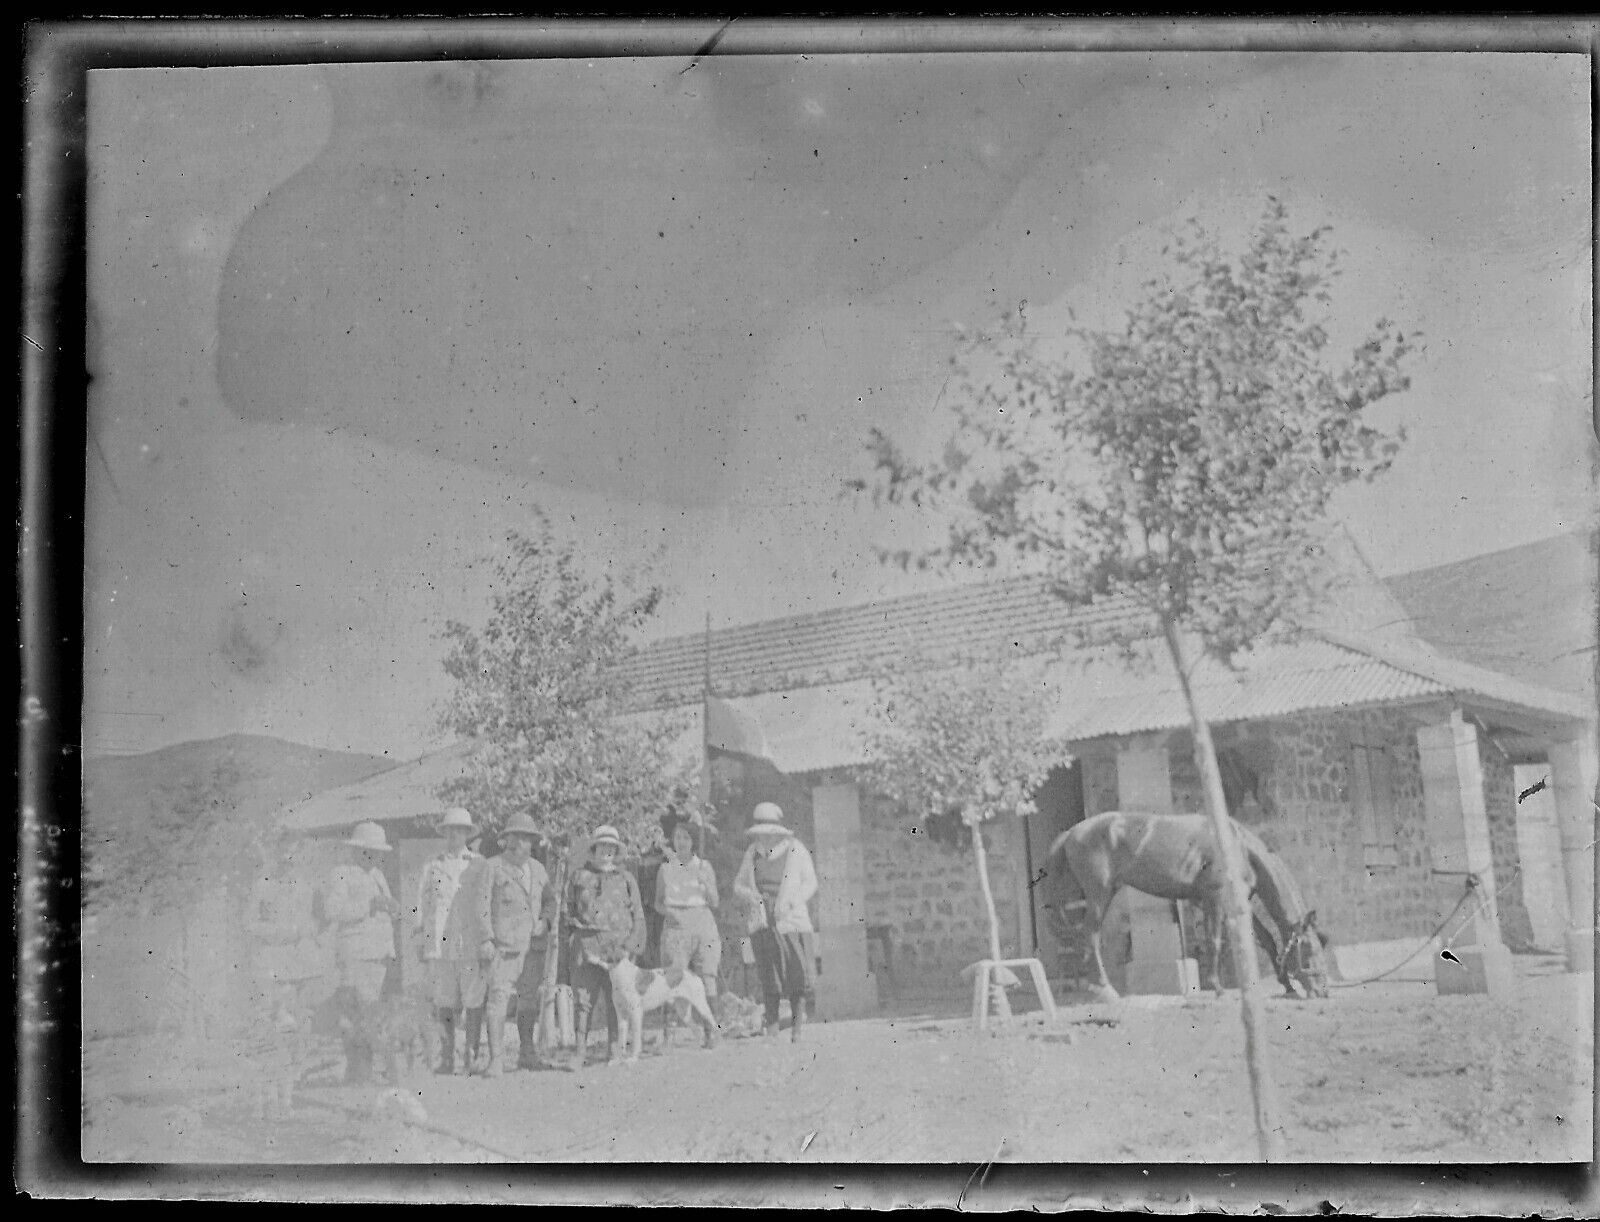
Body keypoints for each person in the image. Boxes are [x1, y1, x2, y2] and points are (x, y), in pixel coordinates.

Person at [241, 837, 319, 1118]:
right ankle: (268, 1097)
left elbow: (313, 922)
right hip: (271, 966)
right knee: (270, 1032)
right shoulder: (262, 885)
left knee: (299, 1032)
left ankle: (288, 1095)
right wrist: (286, 931)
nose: (290, 862)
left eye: (296, 856)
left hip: (302, 967)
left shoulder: (307, 886)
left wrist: (308, 931)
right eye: (285, 856)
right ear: (276, 856)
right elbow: (249, 925)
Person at [471, 812, 552, 1078]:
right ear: (505, 840)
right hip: (504, 948)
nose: (520, 843)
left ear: (533, 843)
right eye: (514, 837)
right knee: (498, 1001)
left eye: (526, 838)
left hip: (533, 948)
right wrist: (486, 938)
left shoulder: (539, 870)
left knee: (528, 1000)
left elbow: (550, 902)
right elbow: (481, 906)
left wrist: (546, 922)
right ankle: (496, 1059)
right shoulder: (492, 867)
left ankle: (527, 1053)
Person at [321, 821, 402, 1083]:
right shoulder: (342, 873)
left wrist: (392, 908)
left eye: (377, 851)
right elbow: (332, 911)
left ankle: (362, 1068)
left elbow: (383, 907)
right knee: (355, 1013)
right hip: (355, 953)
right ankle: (357, 1068)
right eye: (369, 850)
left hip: (377, 953)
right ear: (357, 849)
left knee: (368, 1013)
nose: (374, 856)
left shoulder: (377, 875)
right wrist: (368, 904)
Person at [733, 802, 818, 1043]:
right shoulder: (752, 853)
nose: (766, 838)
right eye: (761, 833)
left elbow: (810, 883)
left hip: (790, 921)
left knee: (796, 973)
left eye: (770, 833)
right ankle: (771, 1028)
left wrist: (792, 902)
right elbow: (738, 885)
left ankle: (797, 1027)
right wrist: (751, 895)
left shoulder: (795, 850)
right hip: (763, 920)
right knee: (769, 973)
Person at [564, 824, 646, 1071]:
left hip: (619, 951)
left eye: (612, 847)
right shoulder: (578, 876)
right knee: (583, 1000)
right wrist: (577, 940)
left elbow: (639, 916)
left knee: (617, 999)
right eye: (602, 847)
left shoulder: (627, 878)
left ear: (617, 851)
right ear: (594, 849)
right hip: (587, 946)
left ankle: (615, 1048)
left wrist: (630, 946)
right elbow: (566, 913)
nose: (607, 852)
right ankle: (579, 1052)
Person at [415, 806, 485, 1075]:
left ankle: (472, 1056)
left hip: (469, 942)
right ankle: (446, 1058)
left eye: (460, 830)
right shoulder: (432, 866)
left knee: (473, 999)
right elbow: (419, 905)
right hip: (440, 943)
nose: (455, 834)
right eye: (450, 830)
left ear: (467, 833)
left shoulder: (478, 864)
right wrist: (420, 938)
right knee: (444, 1000)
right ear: (444, 833)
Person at [655, 814, 722, 1048]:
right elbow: (657, 903)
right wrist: (668, 912)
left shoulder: (704, 866)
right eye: (677, 837)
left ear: (693, 841)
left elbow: (715, 901)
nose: (681, 842)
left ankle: (711, 1032)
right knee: (673, 976)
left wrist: (706, 883)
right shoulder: (665, 869)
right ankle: (669, 1035)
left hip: (702, 920)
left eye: (686, 837)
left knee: (707, 976)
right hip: (676, 922)